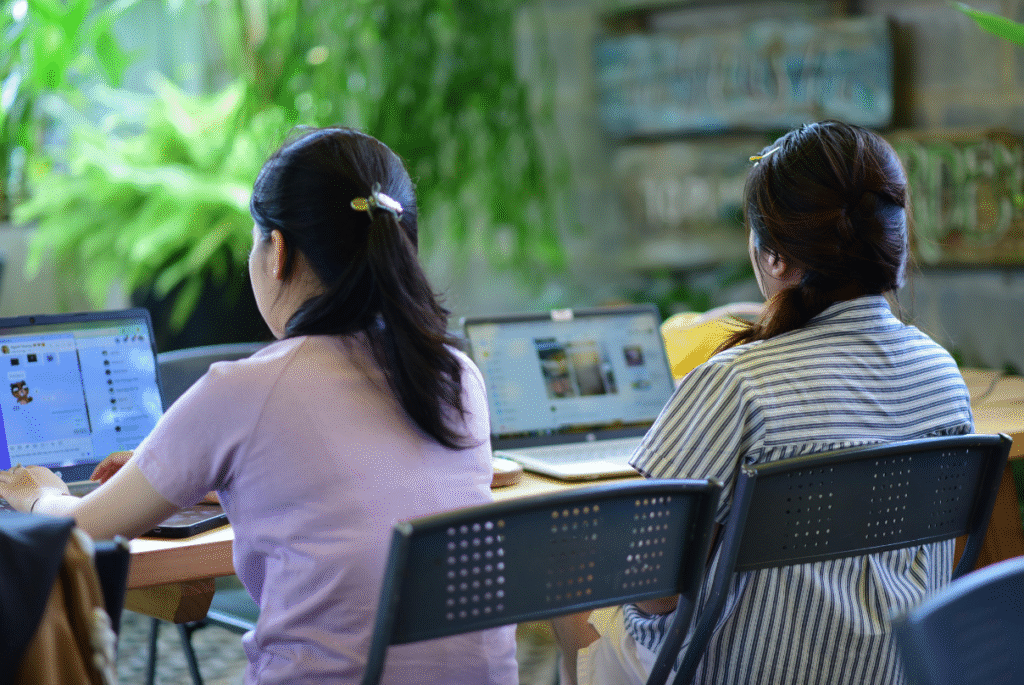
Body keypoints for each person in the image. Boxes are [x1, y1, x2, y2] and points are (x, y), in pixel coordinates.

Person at [0, 126, 519, 685]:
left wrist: (38, 494)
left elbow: (83, 528)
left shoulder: (246, 391)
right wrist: (199, 478)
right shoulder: (456, 376)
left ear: (278, 252)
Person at [552, 120, 974, 685]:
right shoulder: (942, 376)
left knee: (571, 586)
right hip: (902, 670)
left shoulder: (738, 384)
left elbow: (652, 588)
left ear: (774, 258)